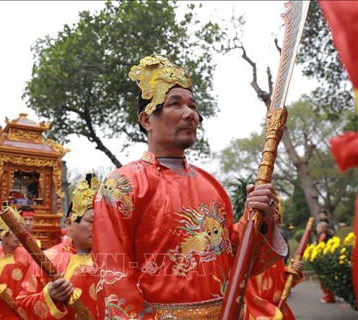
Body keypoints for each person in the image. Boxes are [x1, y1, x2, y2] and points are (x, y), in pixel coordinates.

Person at [92, 54, 288, 319]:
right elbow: (113, 275)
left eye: (193, 106)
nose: (190, 114)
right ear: (146, 120)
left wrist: (259, 219)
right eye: (176, 103)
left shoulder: (212, 186)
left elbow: (238, 263)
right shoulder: (122, 187)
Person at [16, 173, 100, 319]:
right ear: (69, 223)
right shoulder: (47, 259)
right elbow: (21, 306)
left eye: (102, 222)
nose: (98, 228)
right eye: (92, 222)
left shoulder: (111, 257)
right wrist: (49, 297)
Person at [244, 205, 304, 319]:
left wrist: (291, 270)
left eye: (275, 222)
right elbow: (246, 290)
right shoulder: (246, 247)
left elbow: (278, 277)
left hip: (278, 308)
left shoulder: (275, 247)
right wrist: (267, 311)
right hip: (257, 313)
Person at [316, 221, 336, 304]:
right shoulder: (320, 237)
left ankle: (330, 296)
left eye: (318, 227)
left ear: (323, 228)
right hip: (322, 260)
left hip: (327, 261)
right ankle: (328, 295)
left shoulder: (327, 237)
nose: (316, 229)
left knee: (326, 279)